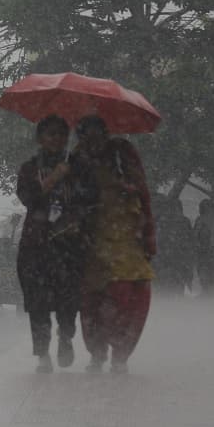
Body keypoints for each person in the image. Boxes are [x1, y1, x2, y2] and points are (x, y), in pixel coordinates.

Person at [74, 116, 156, 373]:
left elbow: (142, 196)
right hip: (93, 244)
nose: (92, 142)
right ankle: (97, 353)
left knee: (128, 301)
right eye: (87, 137)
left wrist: (148, 238)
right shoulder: (77, 160)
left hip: (126, 244)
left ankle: (120, 354)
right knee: (91, 304)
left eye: (97, 135)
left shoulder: (123, 154)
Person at [14, 115, 93, 373]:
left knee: (69, 300)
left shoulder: (78, 167)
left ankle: (66, 337)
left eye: (61, 134)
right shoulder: (29, 169)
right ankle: (42, 354)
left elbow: (91, 198)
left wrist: (77, 217)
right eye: (51, 134)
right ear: (40, 138)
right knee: (37, 303)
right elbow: (29, 199)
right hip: (36, 247)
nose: (56, 139)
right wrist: (53, 178)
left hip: (69, 248)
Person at [193, 198, 214, 296]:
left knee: (204, 277)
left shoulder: (200, 220)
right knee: (212, 278)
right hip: (211, 255)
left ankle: (206, 295)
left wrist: (197, 249)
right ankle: (210, 297)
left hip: (203, 254)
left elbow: (195, 236)